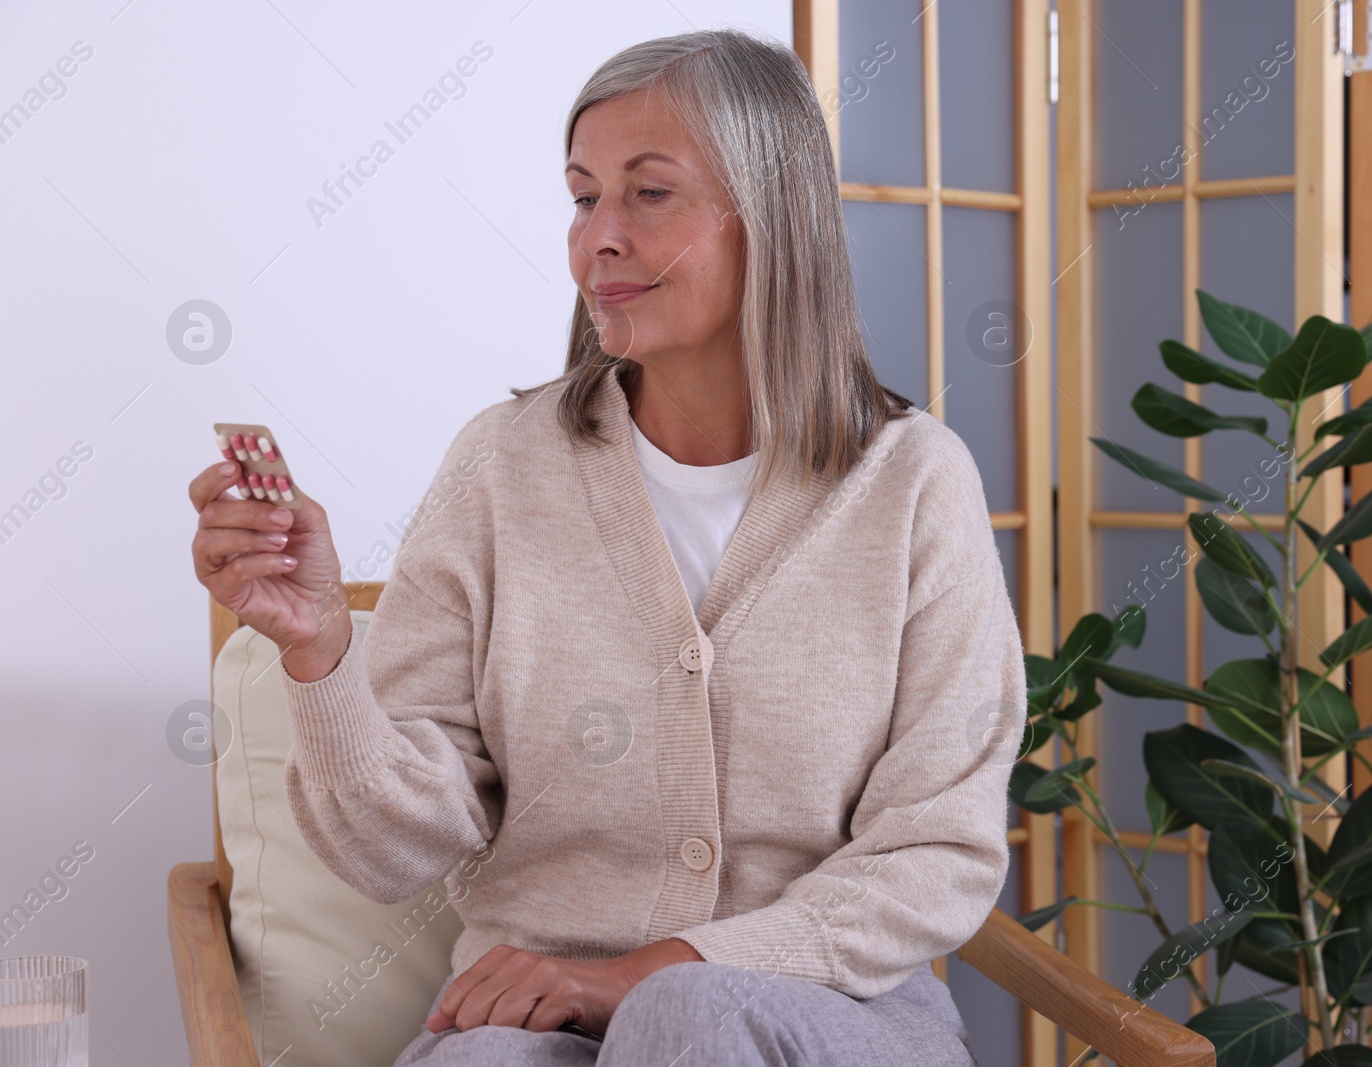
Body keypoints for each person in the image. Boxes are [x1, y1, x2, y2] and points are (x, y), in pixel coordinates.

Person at [188, 27, 1026, 1067]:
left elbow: (934, 850)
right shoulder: (499, 469)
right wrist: (319, 651)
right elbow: (390, 848)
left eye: (648, 193)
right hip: (533, 1007)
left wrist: (655, 969)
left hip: (831, 1013)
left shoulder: (912, 482)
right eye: (584, 197)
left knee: (689, 1012)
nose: (599, 239)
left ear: (767, 214)